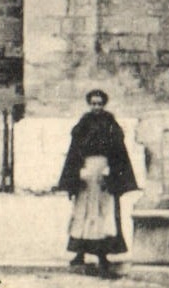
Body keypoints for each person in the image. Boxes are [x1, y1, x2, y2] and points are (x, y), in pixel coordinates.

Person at [55, 88, 139, 275]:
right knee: (83, 212)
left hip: (104, 174)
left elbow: (118, 152)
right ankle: (80, 253)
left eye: (99, 104)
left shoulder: (111, 124)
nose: (96, 107)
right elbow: (75, 151)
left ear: (104, 104)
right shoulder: (83, 125)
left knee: (104, 213)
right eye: (93, 104)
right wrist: (77, 172)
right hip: (86, 174)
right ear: (89, 104)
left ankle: (103, 255)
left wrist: (112, 170)